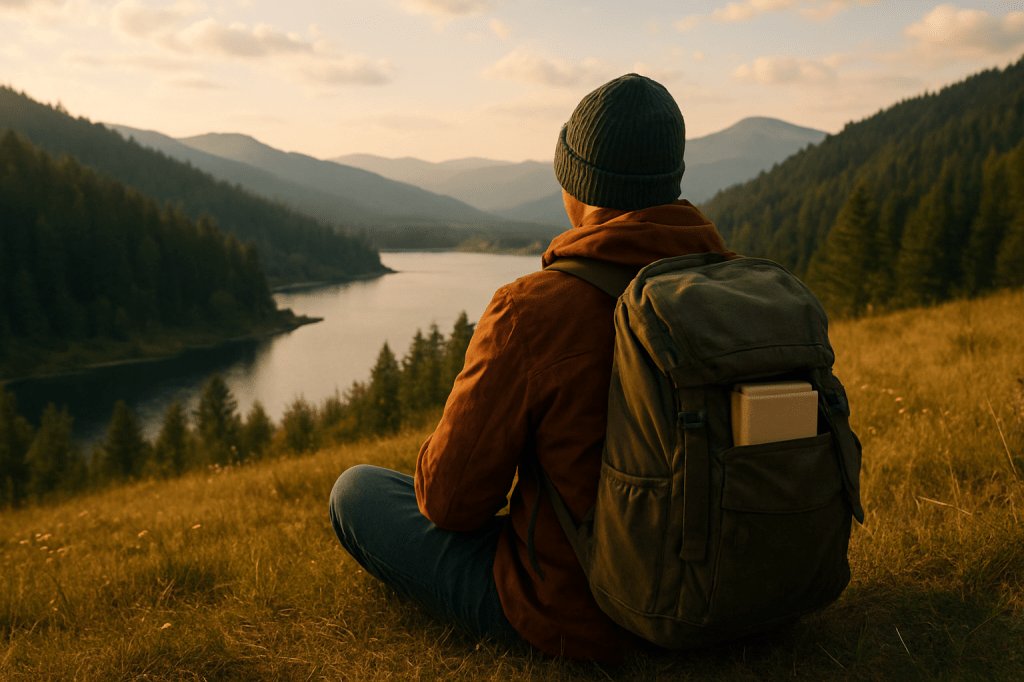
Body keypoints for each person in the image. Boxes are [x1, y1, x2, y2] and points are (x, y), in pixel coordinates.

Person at [329, 73, 737, 660]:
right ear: (669, 186)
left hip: (585, 615)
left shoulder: (534, 309)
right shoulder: (734, 288)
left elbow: (450, 504)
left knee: (356, 490)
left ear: (579, 186)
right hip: (734, 588)